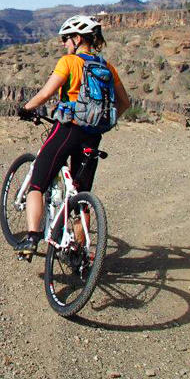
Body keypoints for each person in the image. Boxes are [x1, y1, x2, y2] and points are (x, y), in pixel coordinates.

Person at [14, 15, 131, 256]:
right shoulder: (107, 67)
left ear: (77, 39)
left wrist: (25, 109)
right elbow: (125, 102)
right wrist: (105, 121)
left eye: (66, 39)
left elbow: (46, 94)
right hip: (94, 135)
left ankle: (32, 237)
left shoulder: (69, 62)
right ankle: (79, 250)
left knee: (37, 184)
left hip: (68, 130)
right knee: (81, 194)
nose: (64, 44)